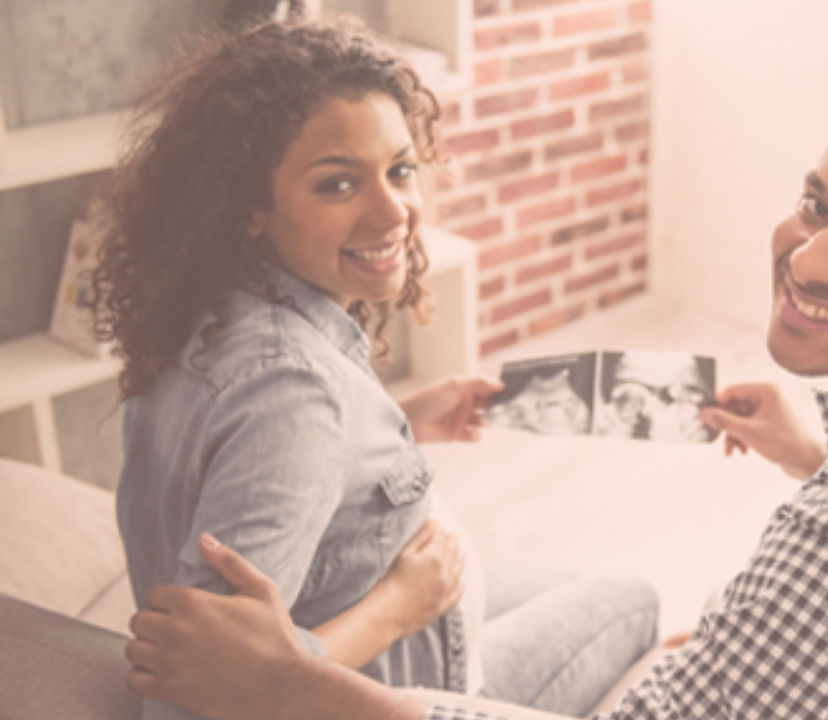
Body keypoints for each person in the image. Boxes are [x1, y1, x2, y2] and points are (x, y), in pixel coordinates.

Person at [122, 46, 828, 719]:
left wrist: (295, 688)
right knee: (621, 599)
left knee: (636, 609)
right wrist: (819, 448)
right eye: (817, 202)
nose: (811, 256)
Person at [92, 16, 657, 720]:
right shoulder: (294, 394)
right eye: (337, 185)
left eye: (400, 170)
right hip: (403, 689)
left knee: (555, 580)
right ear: (248, 208)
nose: (395, 212)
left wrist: (403, 423)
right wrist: (398, 608)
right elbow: (199, 698)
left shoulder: (203, 314)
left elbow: (249, 452)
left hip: (412, 614)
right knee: (629, 598)